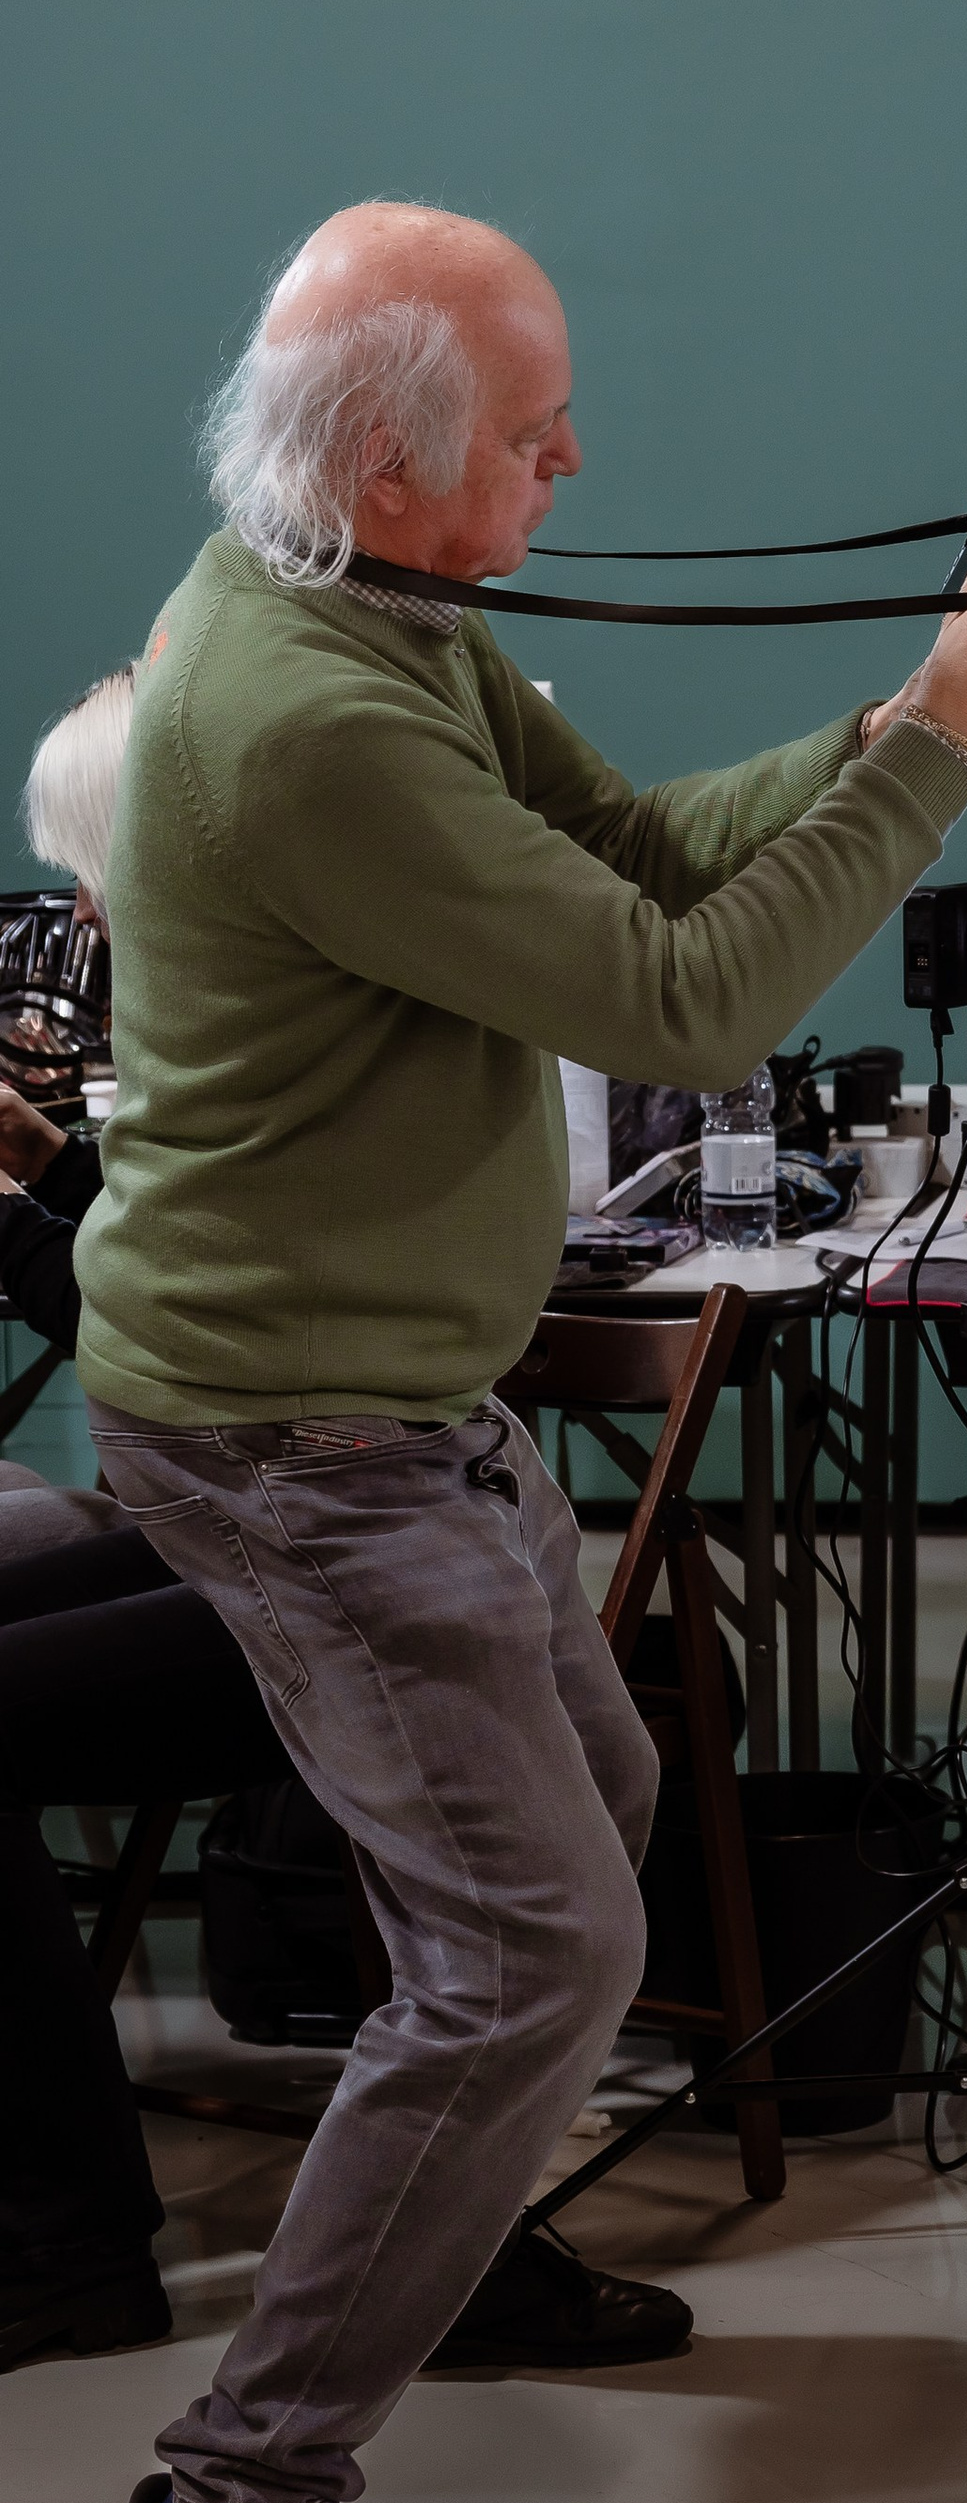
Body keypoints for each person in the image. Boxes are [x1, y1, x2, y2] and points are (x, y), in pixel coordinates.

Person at [77, 201, 967, 2503]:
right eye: (535, 439)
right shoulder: (305, 713)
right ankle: (237, 2502)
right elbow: (692, 993)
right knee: (538, 1948)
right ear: (396, 465)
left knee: (593, 1801)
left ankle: (456, 2222)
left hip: (404, 1392)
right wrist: (949, 754)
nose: (574, 461)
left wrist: (880, 733)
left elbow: (637, 854)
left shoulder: (355, 614)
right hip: (297, 1430)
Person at [0, 672, 678, 2383]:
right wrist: (51, 1183)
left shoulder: (256, 1034)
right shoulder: (275, 1005)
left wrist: (21, 1210)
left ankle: (65, 2243)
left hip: (333, 1554)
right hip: (310, 1519)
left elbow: (179, 1338)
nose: (80, 930)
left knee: (526, 1911)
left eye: (94, 894)